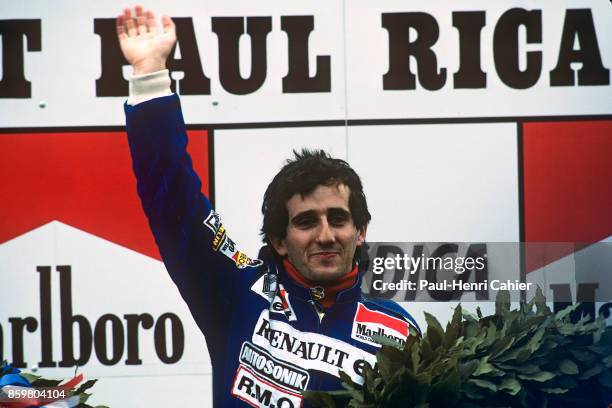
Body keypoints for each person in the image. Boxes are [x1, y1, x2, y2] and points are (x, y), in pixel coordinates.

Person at [118, 5, 420, 407]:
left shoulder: (399, 330)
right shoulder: (238, 293)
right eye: (306, 221)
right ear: (279, 239)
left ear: (361, 231)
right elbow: (174, 202)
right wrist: (151, 70)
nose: (326, 235)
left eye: (339, 219)